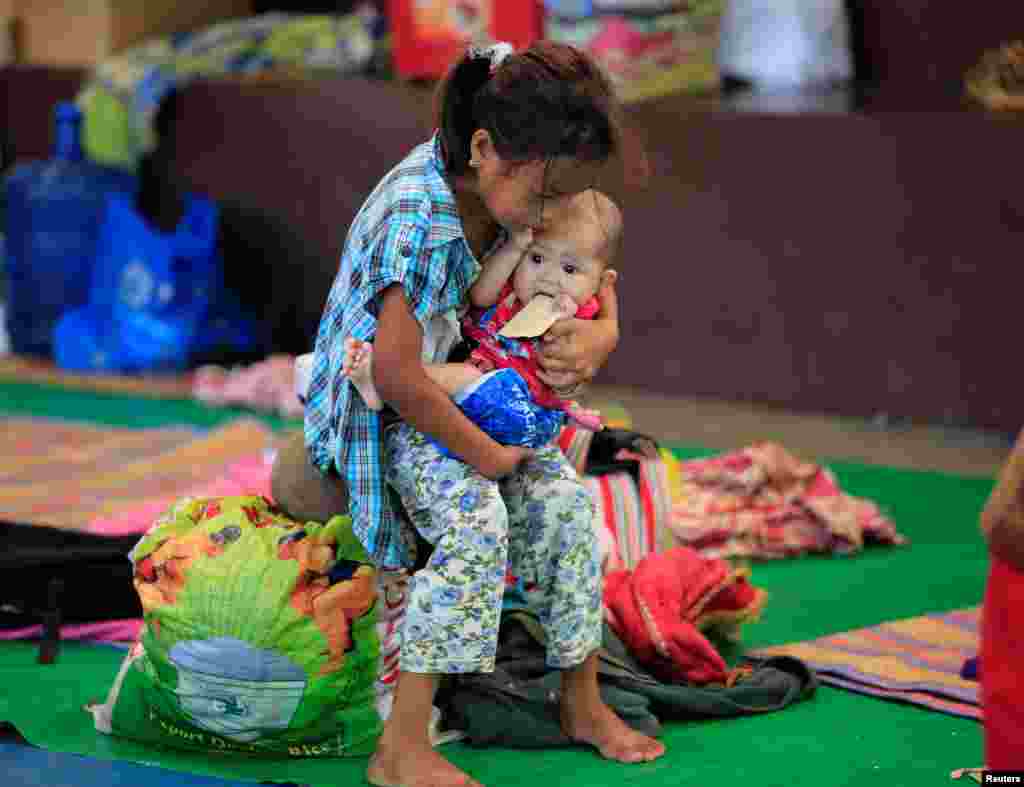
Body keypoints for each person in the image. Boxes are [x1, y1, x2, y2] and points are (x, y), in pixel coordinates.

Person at [272, 40, 664, 787]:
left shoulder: (521, 185)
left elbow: (584, 280)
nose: (557, 218)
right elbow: (397, 376)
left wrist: (603, 333)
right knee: (477, 520)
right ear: (485, 150)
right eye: (549, 201)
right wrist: (486, 458)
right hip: (382, 413)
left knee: (566, 508)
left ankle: (580, 699)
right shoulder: (420, 221)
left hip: (473, 395)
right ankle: (403, 745)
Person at [340, 188, 621, 445]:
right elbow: (480, 296)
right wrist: (515, 248)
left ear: (600, 282)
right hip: (474, 387)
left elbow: (566, 375)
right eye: (537, 259)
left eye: (569, 270)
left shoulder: (585, 320)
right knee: (455, 380)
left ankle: (384, 375)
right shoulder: (515, 291)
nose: (548, 277)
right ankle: (386, 387)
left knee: (465, 376)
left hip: (521, 406)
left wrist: (563, 321)